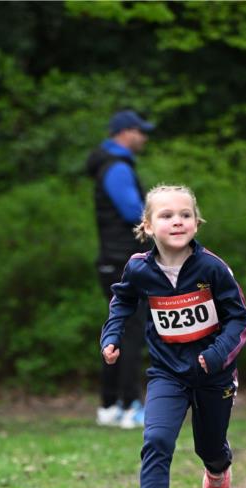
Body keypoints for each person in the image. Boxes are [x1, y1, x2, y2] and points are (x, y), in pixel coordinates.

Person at [100, 184, 246, 488]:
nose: (177, 221)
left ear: (196, 223)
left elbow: (239, 318)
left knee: (209, 446)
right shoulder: (140, 268)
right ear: (148, 226)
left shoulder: (212, 268)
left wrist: (216, 356)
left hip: (213, 374)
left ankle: (218, 467)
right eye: (166, 215)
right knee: (157, 441)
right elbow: (123, 299)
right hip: (167, 372)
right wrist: (112, 334)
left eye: (184, 214)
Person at [87, 109, 154, 430]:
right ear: (125, 133)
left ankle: (109, 404)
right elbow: (134, 212)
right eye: (140, 131)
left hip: (113, 261)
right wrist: (167, 221)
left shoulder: (110, 165)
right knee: (131, 332)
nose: (143, 137)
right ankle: (129, 406)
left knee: (117, 331)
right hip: (124, 262)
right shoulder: (117, 168)